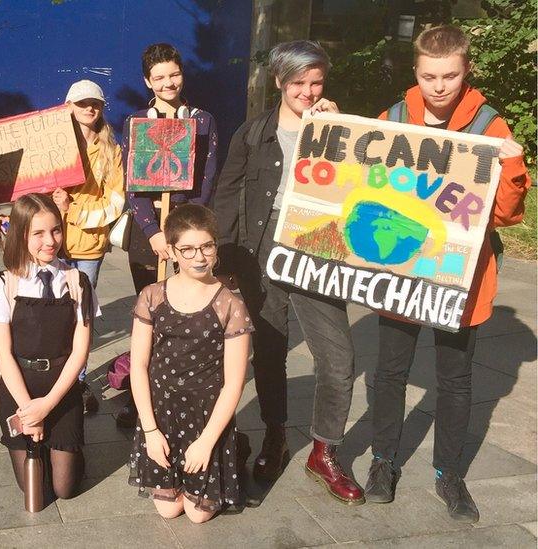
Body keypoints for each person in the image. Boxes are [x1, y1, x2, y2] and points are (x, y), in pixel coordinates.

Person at [364, 25, 531, 523]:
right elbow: (361, 189)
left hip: (463, 278)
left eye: (450, 76)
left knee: (455, 380)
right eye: (429, 75)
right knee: (390, 372)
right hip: (402, 270)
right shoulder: (392, 119)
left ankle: (449, 474)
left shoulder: (489, 126)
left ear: (466, 70)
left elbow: (503, 215)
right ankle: (382, 462)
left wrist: (515, 165)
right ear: (415, 72)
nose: (439, 86)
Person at [212, 40, 364, 504]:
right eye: (299, 82)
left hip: (318, 249)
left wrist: (338, 131)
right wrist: (226, 259)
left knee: (338, 359)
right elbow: (227, 192)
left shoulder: (341, 129)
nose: (309, 91)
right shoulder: (252, 133)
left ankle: (325, 451)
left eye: (317, 81)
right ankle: (275, 436)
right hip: (262, 250)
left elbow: (364, 190)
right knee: (271, 350)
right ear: (280, 81)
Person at [127, 204, 252, 523]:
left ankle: (232, 449)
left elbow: (234, 381)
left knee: (197, 515)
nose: (199, 257)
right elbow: (138, 365)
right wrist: (150, 430)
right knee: (169, 510)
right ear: (171, 250)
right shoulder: (152, 296)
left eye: (207, 246)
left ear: (216, 246)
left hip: (207, 414)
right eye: (188, 249)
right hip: (162, 414)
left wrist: (207, 442)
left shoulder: (230, 304)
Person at [117, 42, 219, 428]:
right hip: (149, 236)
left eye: (173, 74)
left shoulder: (203, 120)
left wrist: (182, 234)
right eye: (158, 77)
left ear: (182, 74)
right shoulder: (135, 123)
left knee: (182, 313)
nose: (168, 82)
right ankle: (140, 397)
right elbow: (132, 184)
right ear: (147, 81)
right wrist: (151, 232)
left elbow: (207, 179)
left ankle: (178, 391)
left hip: (186, 232)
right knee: (149, 315)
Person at [0, 193, 98, 501]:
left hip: (61, 385)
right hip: (18, 388)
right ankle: (38, 442)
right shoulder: (4, 284)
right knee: (34, 490)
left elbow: (80, 351)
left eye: (56, 230)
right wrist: (28, 412)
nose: (50, 240)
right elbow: (3, 353)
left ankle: (69, 451)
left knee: (64, 489)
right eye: (39, 233)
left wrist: (47, 405)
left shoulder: (78, 282)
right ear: (21, 234)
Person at [51, 79, 125, 414]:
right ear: (68, 106)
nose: (89, 108)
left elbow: (117, 202)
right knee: (51, 311)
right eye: (81, 103)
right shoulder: (53, 145)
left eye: (94, 103)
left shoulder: (112, 150)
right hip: (49, 242)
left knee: (81, 315)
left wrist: (76, 212)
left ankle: (78, 381)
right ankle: (55, 379)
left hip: (88, 246)